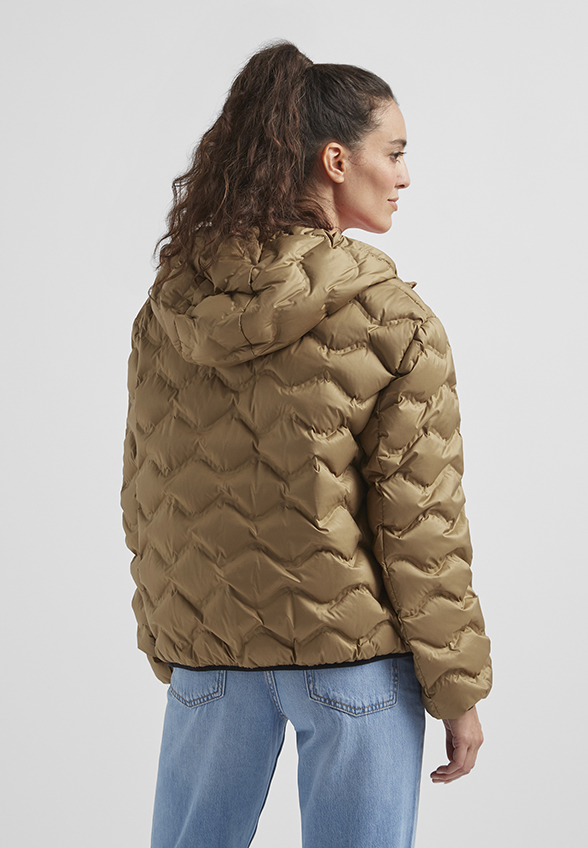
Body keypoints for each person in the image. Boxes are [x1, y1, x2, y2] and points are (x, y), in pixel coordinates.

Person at [120, 41, 492, 848]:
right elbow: (419, 527)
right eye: (394, 152)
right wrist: (456, 688)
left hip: (212, 656)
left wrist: (174, 644)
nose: (404, 175)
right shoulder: (392, 319)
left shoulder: (170, 310)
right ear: (335, 160)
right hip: (350, 657)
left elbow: (149, 492)